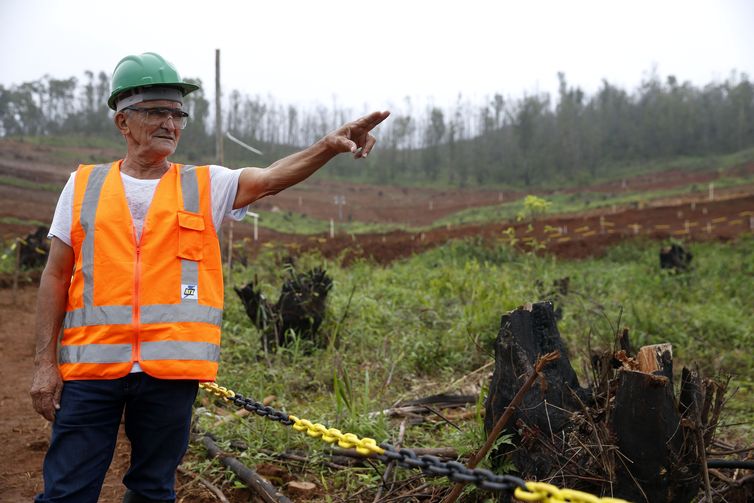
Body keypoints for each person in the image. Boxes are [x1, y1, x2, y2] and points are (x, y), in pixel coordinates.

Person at [29, 52, 389, 503]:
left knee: (153, 491)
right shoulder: (83, 185)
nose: (171, 123)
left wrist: (325, 146)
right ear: (123, 121)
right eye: (157, 111)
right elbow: (55, 274)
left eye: (178, 113)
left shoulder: (205, 184)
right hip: (89, 370)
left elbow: (273, 177)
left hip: (170, 373)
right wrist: (44, 364)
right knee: (66, 492)